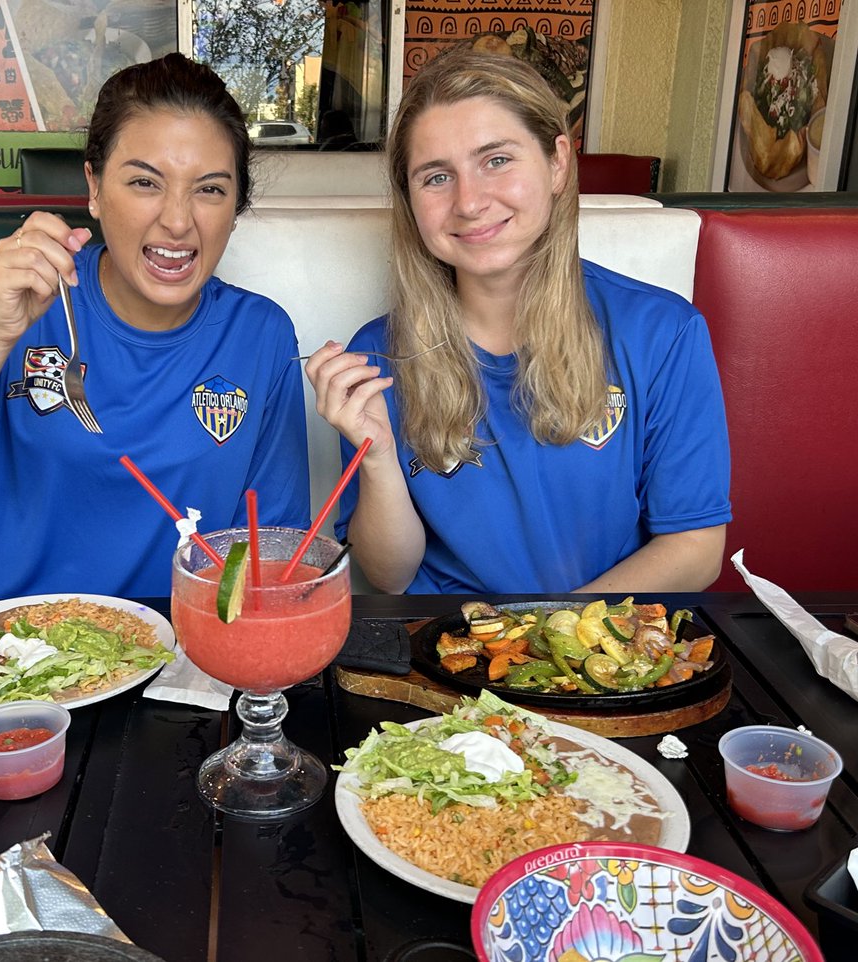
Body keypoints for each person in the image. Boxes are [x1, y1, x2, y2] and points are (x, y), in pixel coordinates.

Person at [0, 53, 310, 599]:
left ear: (237, 204)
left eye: (210, 189)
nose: (177, 219)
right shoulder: (0, 289)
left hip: (168, 657)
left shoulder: (261, 335)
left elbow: (271, 549)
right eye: (145, 182)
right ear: (93, 188)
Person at [305, 48, 731, 595]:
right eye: (436, 177)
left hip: (601, 654)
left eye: (497, 160)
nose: (470, 201)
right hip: (440, 655)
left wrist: (537, 639)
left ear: (557, 162)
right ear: (410, 200)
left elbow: (694, 550)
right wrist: (380, 457)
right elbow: (391, 577)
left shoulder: (663, 333)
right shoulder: (378, 355)